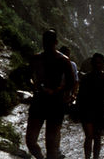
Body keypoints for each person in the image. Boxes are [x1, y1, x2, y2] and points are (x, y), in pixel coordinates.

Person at [26, 29, 74, 159]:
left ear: (55, 42)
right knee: (30, 141)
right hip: (40, 100)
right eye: (45, 41)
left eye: (49, 42)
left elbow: (71, 82)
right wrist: (34, 86)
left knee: (51, 145)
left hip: (55, 103)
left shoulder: (64, 60)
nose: (46, 44)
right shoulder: (37, 58)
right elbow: (27, 76)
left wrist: (57, 90)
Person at [77, 53, 104, 159]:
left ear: (103, 64)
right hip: (87, 110)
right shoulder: (86, 78)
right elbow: (80, 96)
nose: (97, 65)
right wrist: (78, 111)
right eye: (95, 63)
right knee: (89, 136)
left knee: (97, 137)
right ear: (92, 63)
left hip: (101, 110)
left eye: (99, 63)